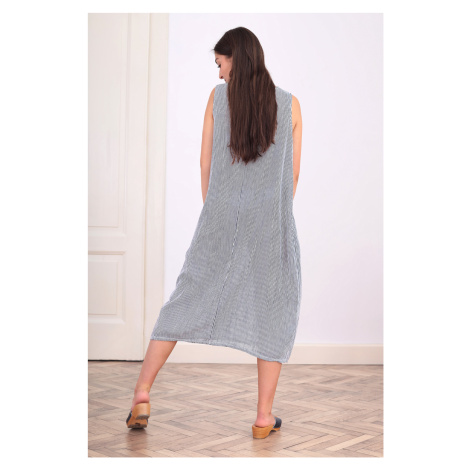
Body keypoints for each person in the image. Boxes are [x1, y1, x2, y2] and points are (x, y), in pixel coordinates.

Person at [126, 27, 302, 439]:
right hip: (270, 223)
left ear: (235, 58)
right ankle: (263, 417)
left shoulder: (217, 100)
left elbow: (205, 163)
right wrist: (269, 216)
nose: (219, 73)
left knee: (186, 297)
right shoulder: (291, 105)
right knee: (273, 309)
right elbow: (292, 177)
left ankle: (142, 393)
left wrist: (216, 213)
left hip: (221, 217)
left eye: (220, 63)